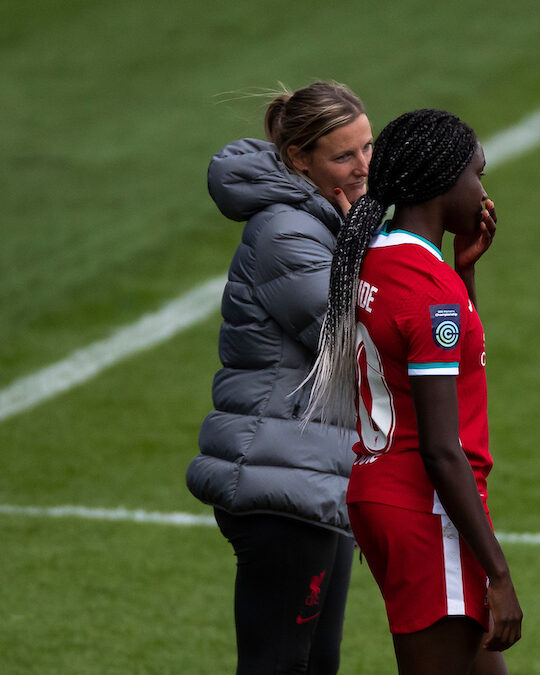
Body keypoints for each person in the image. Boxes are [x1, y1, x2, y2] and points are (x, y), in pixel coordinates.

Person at [302, 108, 523, 675]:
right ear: (443, 182)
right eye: (478, 174)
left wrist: (465, 274)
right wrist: (498, 574)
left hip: (385, 489)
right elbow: (440, 447)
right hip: (428, 506)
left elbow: (437, 360)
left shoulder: (374, 256)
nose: (483, 190)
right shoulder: (428, 290)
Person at [186, 80, 373, 674]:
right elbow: (348, 343)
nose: (364, 165)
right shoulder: (287, 233)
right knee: (278, 665)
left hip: (310, 472)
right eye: (345, 155)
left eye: (368, 147)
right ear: (299, 160)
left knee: (315, 664)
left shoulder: (325, 220)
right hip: (280, 478)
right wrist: (365, 245)